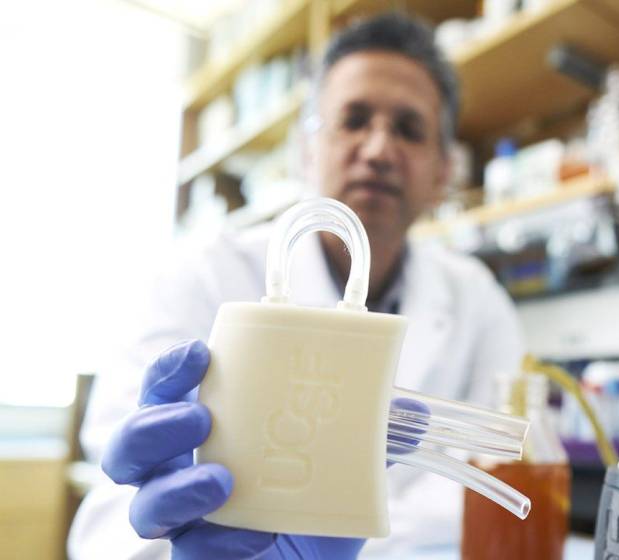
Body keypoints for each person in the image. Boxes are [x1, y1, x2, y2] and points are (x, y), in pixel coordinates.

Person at [68, 12, 524, 560]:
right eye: (353, 120)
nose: (378, 149)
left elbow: (493, 490)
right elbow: (110, 511)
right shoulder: (202, 277)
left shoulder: (478, 301)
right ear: (306, 152)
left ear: (442, 172)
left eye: (408, 129)